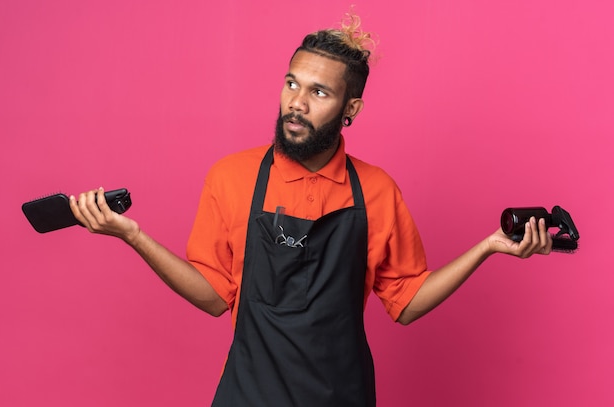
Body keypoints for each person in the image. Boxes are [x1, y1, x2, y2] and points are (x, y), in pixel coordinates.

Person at [70, 12, 552, 407]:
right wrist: (133, 236)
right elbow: (214, 296)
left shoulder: (376, 192)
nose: (296, 104)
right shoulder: (231, 177)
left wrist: (488, 247)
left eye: (318, 93)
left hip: (341, 396)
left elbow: (406, 302)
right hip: (247, 396)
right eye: (291, 84)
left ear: (351, 109)